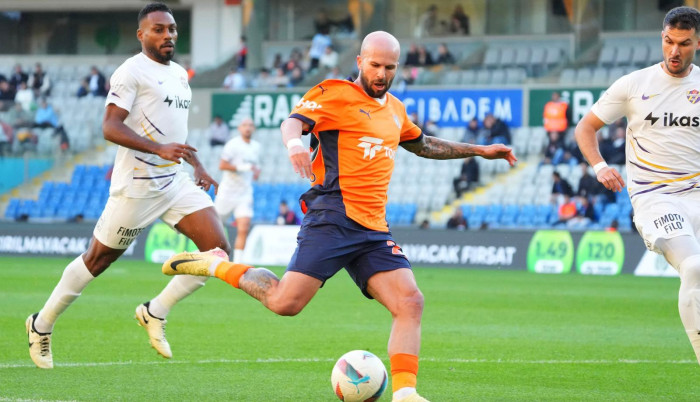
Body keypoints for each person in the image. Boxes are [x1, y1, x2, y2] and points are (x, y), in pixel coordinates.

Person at [161, 30, 516, 402]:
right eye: (375, 65)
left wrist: (479, 150)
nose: (381, 73)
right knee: (286, 303)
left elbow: (423, 144)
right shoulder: (334, 93)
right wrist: (295, 144)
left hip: (374, 228)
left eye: (389, 67)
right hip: (332, 216)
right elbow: (292, 122)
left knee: (410, 302)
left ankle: (406, 394)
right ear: (360, 61)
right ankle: (215, 265)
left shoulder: (395, 109)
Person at [25, 2, 230, 369]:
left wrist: (196, 163)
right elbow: (110, 127)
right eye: (158, 29)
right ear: (141, 35)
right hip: (136, 186)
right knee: (97, 260)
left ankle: (155, 311)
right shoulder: (130, 72)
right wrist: (158, 148)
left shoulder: (181, 74)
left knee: (218, 253)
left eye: (171, 28)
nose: (167, 35)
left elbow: (174, 134)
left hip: (174, 182)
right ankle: (41, 325)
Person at [574, 6, 700, 365]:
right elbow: (585, 128)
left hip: (697, 195)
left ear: (698, 44)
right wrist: (599, 166)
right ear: (662, 38)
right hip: (655, 199)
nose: (674, 51)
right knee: (693, 267)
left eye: (684, 44)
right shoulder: (634, 84)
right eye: (668, 41)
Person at [214, 117, 261, 263]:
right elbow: (222, 165)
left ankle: (238, 263)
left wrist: (256, 172)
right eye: (245, 125)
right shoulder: (232, 144)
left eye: (250, 125)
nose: (248, 127)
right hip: (227, 193)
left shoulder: (257, 147)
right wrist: (242, 168)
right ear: (240, 128)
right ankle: (213, 257)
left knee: (244, 227)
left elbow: (256, 168)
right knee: (215, 228)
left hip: (244, 194)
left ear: (254, 129)